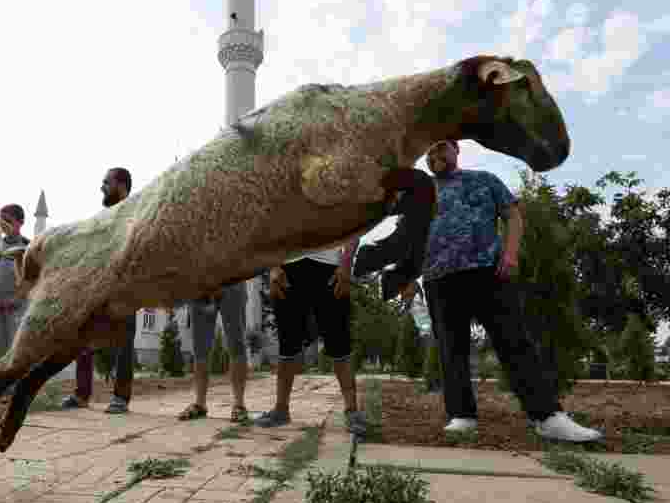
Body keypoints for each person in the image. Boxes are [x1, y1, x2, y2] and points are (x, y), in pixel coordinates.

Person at [402, 139, 600, 441]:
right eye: (428, 152)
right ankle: (462, 415)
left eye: (440, 148)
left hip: (487, 273)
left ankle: (548, 417)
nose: (434, 155)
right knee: (450, 350)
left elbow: (512, 215)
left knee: (514, 342)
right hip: (438, 279)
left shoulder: (484, 180)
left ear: (456, 149)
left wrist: (510, 254)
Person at [256, 237, 363, 431]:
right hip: (288, 268)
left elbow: (355, 223)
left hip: (330, 268)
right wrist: (273, 266)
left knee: (339, 342)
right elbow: (272, 224)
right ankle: (281, 410)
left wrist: (346, 264)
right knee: (287, 345)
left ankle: (352, 411)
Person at [61, 167, 137, 414]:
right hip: (97, 284)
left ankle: (121, 397)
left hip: (125, 286)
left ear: (121, 185)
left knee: (124, 342)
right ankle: (82, 394)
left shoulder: (136, 211)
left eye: (106, 182)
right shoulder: (104, 215)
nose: (101, 187)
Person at [176, 282, 251, 423]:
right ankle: (200, 404)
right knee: (199, 347)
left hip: (233, 278)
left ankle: (239, 405)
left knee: (236, 343)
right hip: (201, 281)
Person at [0, 204, 31, 365]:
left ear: (20, 222)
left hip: (19, 304)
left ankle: (14, 386)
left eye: (8, 220)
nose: (3, 224)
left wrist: (17, 298)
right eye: (1, 220)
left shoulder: (28, 247)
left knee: (15, 344)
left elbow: (30, 279)